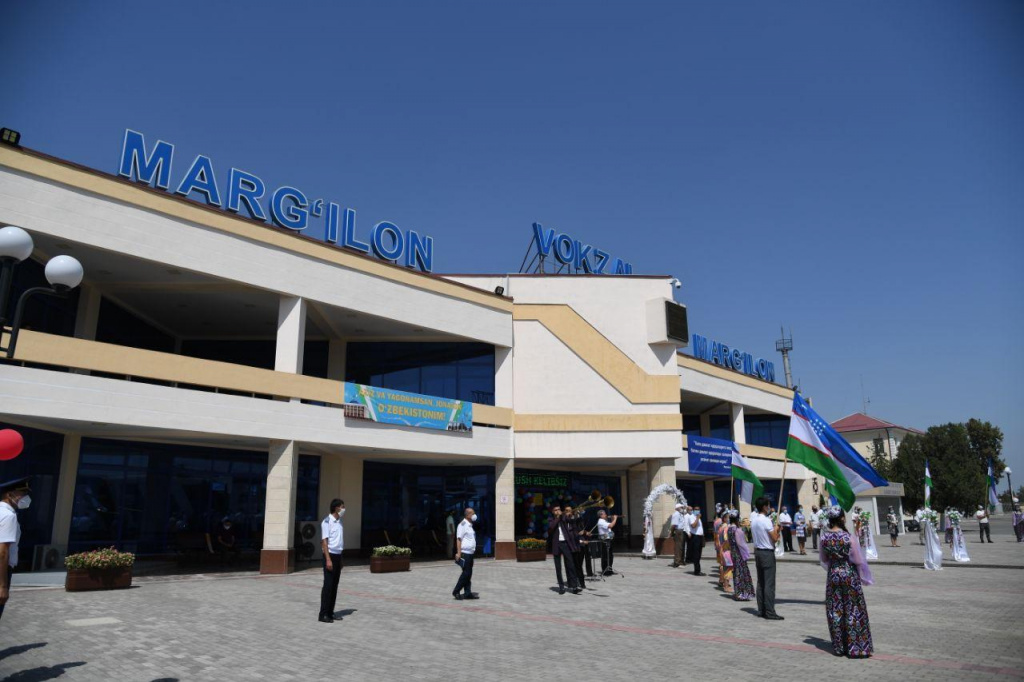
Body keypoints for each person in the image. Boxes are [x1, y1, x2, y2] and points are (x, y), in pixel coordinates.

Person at [820, 506, 873, 658]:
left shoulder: (824, 537)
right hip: (849, 575)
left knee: (836, 610)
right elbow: (857, 559)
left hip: (833, 576)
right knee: (853, 609)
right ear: (842, 518)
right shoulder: (848, 537)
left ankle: (839, 646)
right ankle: (856, 647)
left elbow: (823, 559)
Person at [0, 477, 30, 623]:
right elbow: (3, 552)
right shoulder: (8, 516)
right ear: (9, 495)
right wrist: (3, 586)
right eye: (22, 494)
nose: (25, 498)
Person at [751, 496, 783, 620]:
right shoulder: (766, 520)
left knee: (761, 583)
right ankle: (770, 611)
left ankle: (761, 609)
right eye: (768, 505)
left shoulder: (754, 520)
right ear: (765, 507)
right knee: (769, 583)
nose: (769, 508)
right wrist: (777, 530)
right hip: (766, 552)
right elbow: (774, 538)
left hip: (757, 551)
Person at [319, 498, 345, 623]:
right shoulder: (327, 521)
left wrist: (340, 560)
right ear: (336, 508)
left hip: (338, 555)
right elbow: (324, 541)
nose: (343, 509)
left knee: (334, 586)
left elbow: (339, 542)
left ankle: (330, 612)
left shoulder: (339, 522)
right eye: (342, 507)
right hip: (329, 556)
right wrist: (328, 559)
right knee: (328, 586)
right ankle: (323, 614)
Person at [548, 505, 581, 594]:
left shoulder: (564, 518)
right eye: (556, 510)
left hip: (565, 544)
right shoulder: (551, 519)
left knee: (571, 565)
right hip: (556, 545)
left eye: (559, 509)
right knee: (558, 567)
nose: (558, 511)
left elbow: (571, 520)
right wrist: (558, 517)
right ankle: (561, 587)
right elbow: (551, 528)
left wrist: (575, 514)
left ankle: (574, 587)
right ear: (553, 512)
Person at [453, 507, 480, 600]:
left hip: (470, 553)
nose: (474, 515)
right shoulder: (463, 525)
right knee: (466, 573)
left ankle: (467, 593)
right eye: (473, 513)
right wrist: (459, 553)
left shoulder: (470, 525)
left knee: (468, 573)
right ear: (468, 515)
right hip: (465, 553)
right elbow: (459, 539)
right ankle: (456, 591)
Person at [729, 511, 755, 601]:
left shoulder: (729, 529)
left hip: (733, 553)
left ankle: (738, 592)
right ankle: (742, 593)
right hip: (739, 555)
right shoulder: (737, 530)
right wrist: (747, 553)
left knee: (736, 573)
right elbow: (741, 544)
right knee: (742, 574)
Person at [596, 509, 618, 575]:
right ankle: (605, 570)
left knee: (610, 555)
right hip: (604, 540)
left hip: (608, 539)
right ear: (601, 515)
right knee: (605, 555)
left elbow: (610, 525)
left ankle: (609, 569)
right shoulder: (600, 521)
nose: (606, 515)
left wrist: (612, 519)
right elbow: (611, 526)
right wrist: (615, 519)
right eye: (604, 514)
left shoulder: (604, 521)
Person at [717, 512, 733, 593]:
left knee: (723, 566)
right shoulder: (726, 527)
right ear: (724, 518)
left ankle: (722, 581)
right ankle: (726, 586)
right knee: (728, 568)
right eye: (728, 517)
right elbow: (727, 539)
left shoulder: (720, 527)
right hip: (726, 550)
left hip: (721, 549)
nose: (729, 519)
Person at [688, 505, 705, 577]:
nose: (697, 510)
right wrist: (697, 518)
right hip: (695, 537)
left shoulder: (698, 518)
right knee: (696, 554)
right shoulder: (691, 517)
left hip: (700, 537)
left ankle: (698, 569)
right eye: (695, 509)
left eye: (698, 509)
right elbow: (693, 526)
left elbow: (700, 528)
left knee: (699, 554)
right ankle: (697, 571)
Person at [670, 503, 687, 568]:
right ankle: (677, 562)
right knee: (678, 547)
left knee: (681, 547)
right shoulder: (676, 514)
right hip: (678, 531)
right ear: (677, 508)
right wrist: (671, 533)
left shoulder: (681, 514)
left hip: (682, 531)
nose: (683, 509)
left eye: (682, 508)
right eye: (681, 507)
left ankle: (681, 561)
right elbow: (674, 525)